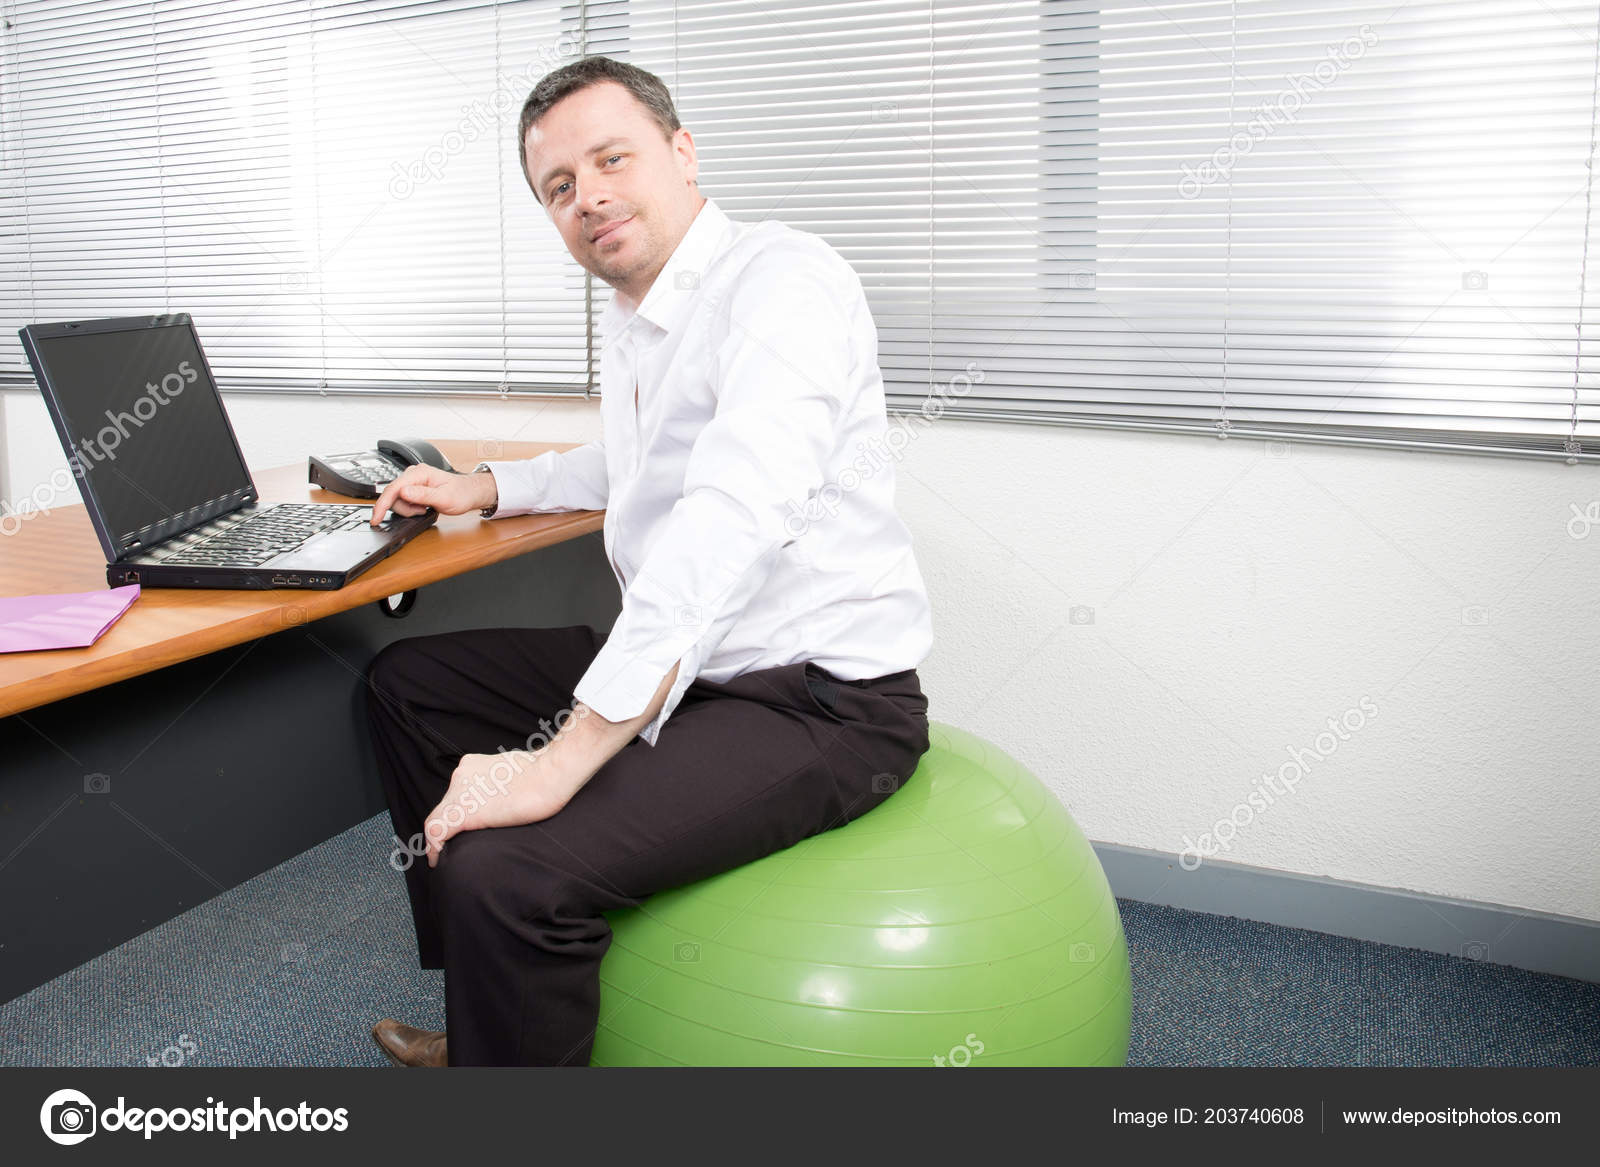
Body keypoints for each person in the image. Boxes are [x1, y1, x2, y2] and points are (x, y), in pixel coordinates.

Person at [361, 54, 934, 1067]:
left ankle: (505, 974)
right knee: (407, 683)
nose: (589, 198)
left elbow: (730, 513)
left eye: (610, 158)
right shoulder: (640, 317)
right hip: (693, 669)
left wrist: (559, 762)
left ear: (680, 151)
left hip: (815, 703)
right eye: (559, 188)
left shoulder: (782, 280)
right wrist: (483, 485)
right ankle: (494, 1016)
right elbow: (639, 463)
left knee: (509, 870)